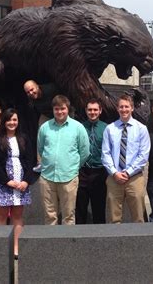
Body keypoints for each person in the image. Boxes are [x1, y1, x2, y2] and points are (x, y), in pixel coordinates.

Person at [0, 109, 35, 258]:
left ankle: (16, 247)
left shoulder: (24, 138)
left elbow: (30, 160)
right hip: (3, 182)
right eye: (8, 120)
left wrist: (26, 181)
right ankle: (0, 246)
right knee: (1, 215)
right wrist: (6, 181)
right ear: (4, 121)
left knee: (17, 215)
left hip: (20, 183)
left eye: (14, 120)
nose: (12, 123)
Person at [37, 95, 90, 225]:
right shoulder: (45, 127)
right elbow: (41, 148)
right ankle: (50, 244)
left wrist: (73, 167)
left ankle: (67, 245)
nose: (60, 112)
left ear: (68, 109)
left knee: (68, 216)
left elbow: (84, 152)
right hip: (47, 177)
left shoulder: (78, 127)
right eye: (56, 109)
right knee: (50, 217)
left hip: (69, 177)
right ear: (53, 110)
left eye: (62, 109)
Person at [102, 95, 150, 223]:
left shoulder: (141, 129)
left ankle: (139, 241)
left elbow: (143, 155)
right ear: (117, 109)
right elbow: (105, 154)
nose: (124, 109)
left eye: (126, 107)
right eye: (121, 107)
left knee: (138, 217)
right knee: (114, 217)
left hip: (134, 178)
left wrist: (128, 172)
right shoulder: (110, 129)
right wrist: (115, 173)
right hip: (114, 178)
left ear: (132, 108)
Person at [75, 99, 108, 224]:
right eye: (90, 110)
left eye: (95, 110)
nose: (92, 112)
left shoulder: (106, 128)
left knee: (99, 208)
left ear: (100, 111)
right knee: (80, 208)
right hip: (82, 171)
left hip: (100, 172)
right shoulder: (79, 127)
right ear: (86, 111)